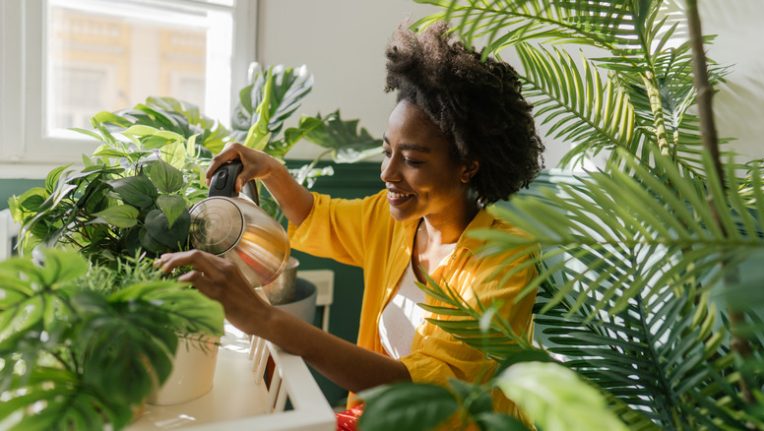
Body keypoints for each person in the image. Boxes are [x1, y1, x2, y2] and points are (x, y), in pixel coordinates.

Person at [157, 21, 544, 429]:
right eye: (386, 151)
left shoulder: (505, 258)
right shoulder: (395, 220)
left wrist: (265, 318)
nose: (387, 173)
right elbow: (316, 216)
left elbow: (424, 393)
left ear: (468, 166)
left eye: (411, 160)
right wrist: (270, 169)